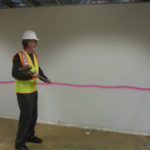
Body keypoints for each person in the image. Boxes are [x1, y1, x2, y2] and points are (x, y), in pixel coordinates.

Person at [12, 30, 52, 150]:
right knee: (25, 117)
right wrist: (30, 76)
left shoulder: (33, 55)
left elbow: (38, 69)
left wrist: (45, 79)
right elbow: (14, 73)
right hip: (23, 92)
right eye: (34, 40)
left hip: (33, 90)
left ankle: (29, 135)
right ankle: (19, 143)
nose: (36, 42)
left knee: (33, 115)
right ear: (28, 42)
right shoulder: (19, 56)